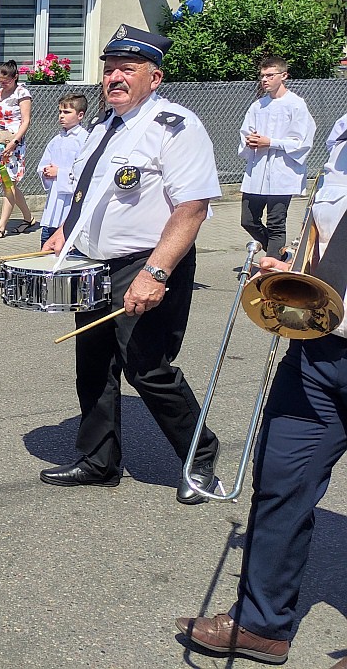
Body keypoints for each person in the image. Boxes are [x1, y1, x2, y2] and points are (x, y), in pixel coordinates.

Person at [175, 111, 347, 667]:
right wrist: (294, 266)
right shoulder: (344, 135)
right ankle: (261, 624)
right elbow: (329, 230)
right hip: (321, 347)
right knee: (280, 480)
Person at [40, 24, 221, 505]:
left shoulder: (175, 126)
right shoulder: (102, 127)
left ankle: (200, 457)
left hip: (146, 262)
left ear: (154, 77)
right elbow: (90, 193)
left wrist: (155, 273)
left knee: (147, 368)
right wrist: (66, 232)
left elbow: (192, 208)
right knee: (94, 366)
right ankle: (98, 460)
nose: (114, 77)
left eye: (127, 69)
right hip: (95, 263)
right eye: (109, 70)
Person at [239, 56, 315, 258]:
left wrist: (270, 142)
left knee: (275, 223)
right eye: (262, 76)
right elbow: (246, 132)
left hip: (283, 171)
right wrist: (249, 141)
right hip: (258, 171)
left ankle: (272, 266)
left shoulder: (296, 105)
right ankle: (280, 255)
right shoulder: (258, 106)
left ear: (284, 76)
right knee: (248, 220)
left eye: (270, 75)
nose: (264, 79)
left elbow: (302, 142)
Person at [0, 60, 36, 239]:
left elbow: (26, 121)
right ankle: (28, 218)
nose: (3, 84)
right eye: (0, 81)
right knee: (8, 183)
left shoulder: (21, 93)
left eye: (6, 81)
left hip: (14, 144)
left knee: (8, 183)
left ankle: (1, 228)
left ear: (15, 77)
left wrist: (15, 142)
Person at [36, 92, 90, 248]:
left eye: (66, 112)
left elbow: (85, 171)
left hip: (70, 199)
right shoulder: (56, 140)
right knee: (46, 241)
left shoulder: (85, 139)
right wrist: (46, 171)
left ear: (80, 115)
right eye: (60, 111)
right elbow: (44, 163)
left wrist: (60, 173)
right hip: (54, 198)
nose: (61, 116)